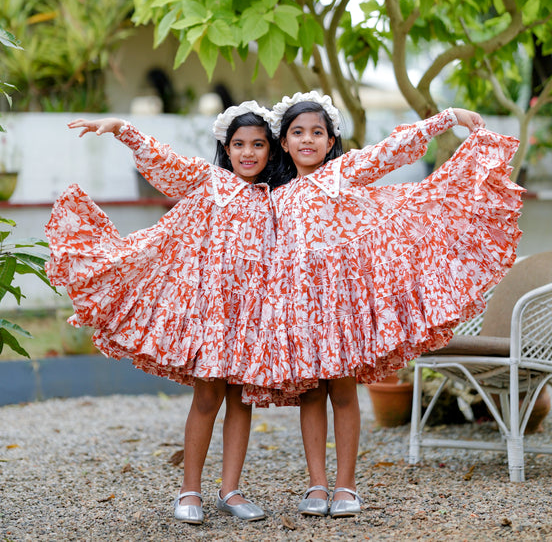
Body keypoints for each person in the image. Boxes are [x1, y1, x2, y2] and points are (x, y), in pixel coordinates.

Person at [248, 91, 524, 518]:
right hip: (298, 314)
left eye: (317, 132)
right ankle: (316, 485)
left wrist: (445, 118)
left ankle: (346, 486)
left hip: (340, 309)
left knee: (342, 392)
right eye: (297, 133)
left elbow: (390, 151)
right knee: (310, 397)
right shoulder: (274, 197)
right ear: (283, 142)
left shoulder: (342, 173)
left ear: (330, 138)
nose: (307, 140)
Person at [45, 101, 279, 525]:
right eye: (239, 144)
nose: (248, 153)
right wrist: (123, 129)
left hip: (252, 317)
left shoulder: (273, 198)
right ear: (225, 149)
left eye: (258, 145)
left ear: (270, 150)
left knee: (242, 400)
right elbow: (164, 162)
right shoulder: (208, 181)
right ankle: (190, 490)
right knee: (208, 397)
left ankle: (231, 489)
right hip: (210, 314)